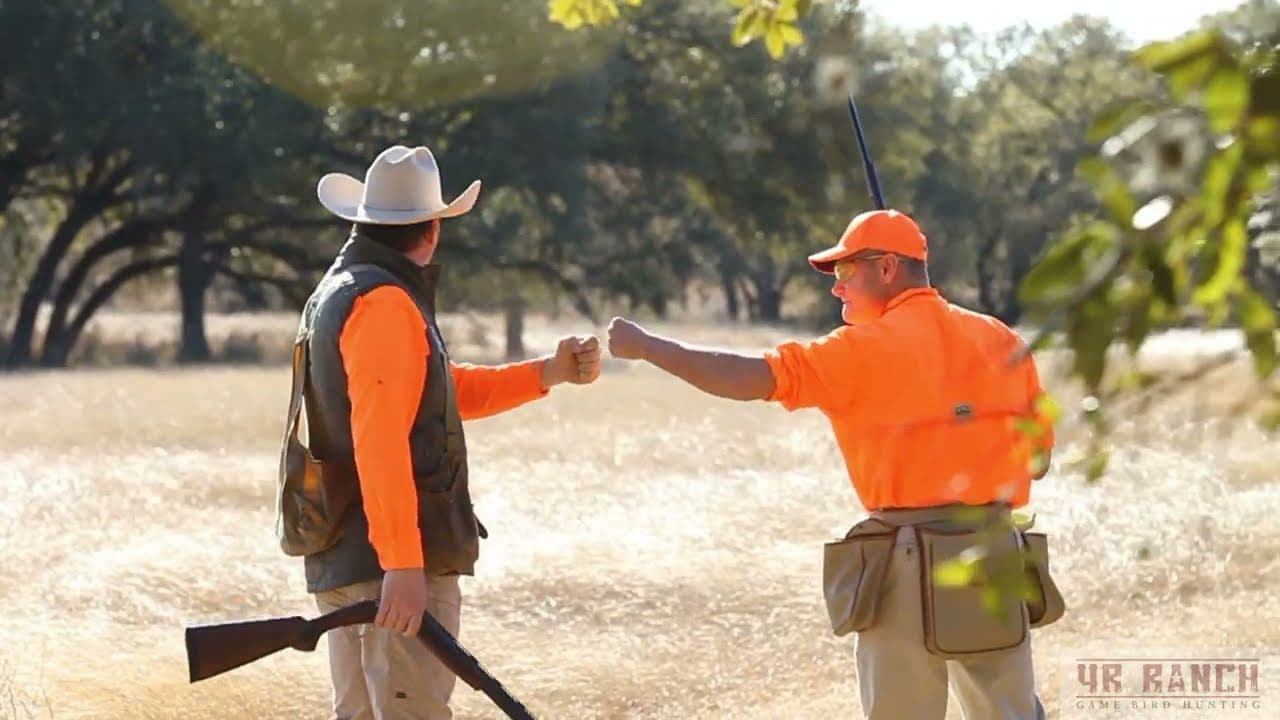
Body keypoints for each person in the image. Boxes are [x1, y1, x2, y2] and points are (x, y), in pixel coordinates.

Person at [605, 208, 1061, 720]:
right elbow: (1039, 460)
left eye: (846, 272)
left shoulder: (857, 351)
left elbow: (744, 377)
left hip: (904, 568)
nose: (836, 289)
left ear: (887, 268)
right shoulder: (1001, 338)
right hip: (996, 557)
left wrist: (647, 347)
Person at [277, 144, 602, 720]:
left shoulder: (342, 290)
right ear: (431, 228)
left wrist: (546, 373)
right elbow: (380, 441)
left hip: (352, 559)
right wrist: (402, 564)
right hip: (387, 570)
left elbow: (434, 396)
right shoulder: (382, 302)